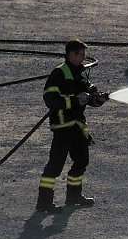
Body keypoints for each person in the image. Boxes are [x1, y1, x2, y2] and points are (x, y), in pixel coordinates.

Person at [36, 39, 108, 213]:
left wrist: (96, 99)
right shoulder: (59, 73)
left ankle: (73, 196)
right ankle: (44, 203)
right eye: (80, 54)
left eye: (84, 54)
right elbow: (50, 100)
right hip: (62, 126)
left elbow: (87, 94)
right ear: (70, 55)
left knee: (82, 160)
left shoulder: (81, 72)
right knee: (55, 165)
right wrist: (75, 100)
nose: (84, 57)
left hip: (77, 125)